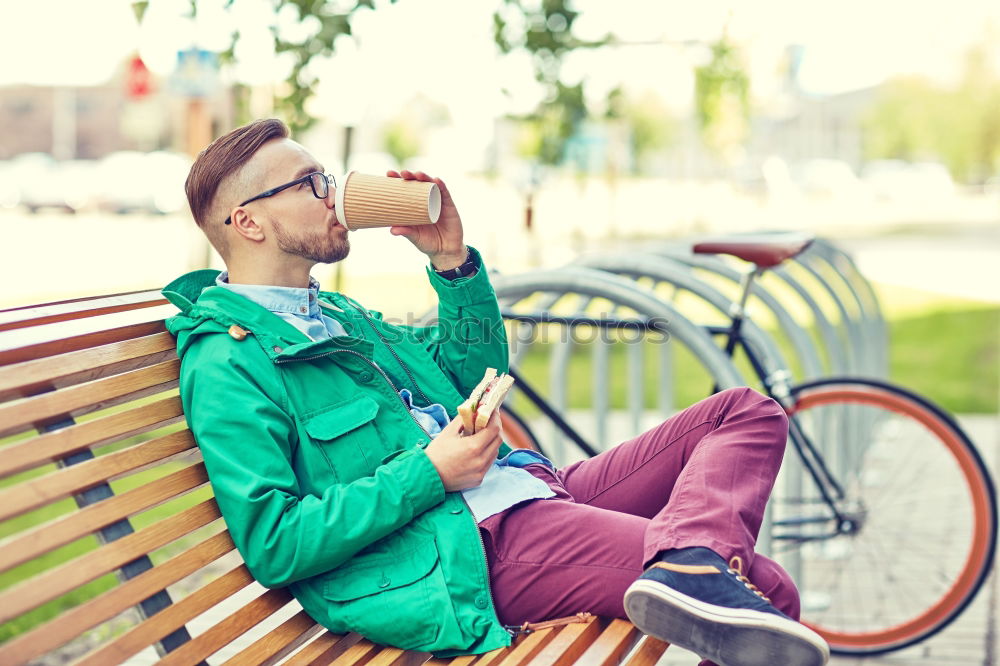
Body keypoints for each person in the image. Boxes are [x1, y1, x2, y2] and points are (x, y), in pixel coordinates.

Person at [163, 118, 829, 666]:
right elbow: (277, 543)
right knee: (763, 590)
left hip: (522, 493)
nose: (334, 196)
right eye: (310, 184)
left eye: (328, 179)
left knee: (742, 411)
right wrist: (430, 472)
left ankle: (686, 562)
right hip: (465, 547)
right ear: (248, 223)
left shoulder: (335, 315)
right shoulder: (228, 362)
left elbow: (465, 372)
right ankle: (691, 567)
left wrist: (450, 260)